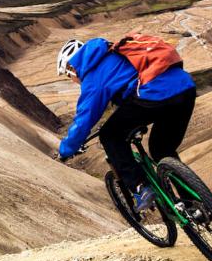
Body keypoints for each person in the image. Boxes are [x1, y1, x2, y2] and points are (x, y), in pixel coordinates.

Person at [56, 37, 196, 212]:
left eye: (69, 76)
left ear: (72, 67)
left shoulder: (93, 77)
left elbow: (84, 120)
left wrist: (65, 151)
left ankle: (141, 188)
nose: (73, 80)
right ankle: (194, 205)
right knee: (162, 150)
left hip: (154, 96)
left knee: (110, 135)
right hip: (185, 87)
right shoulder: (115, 52)